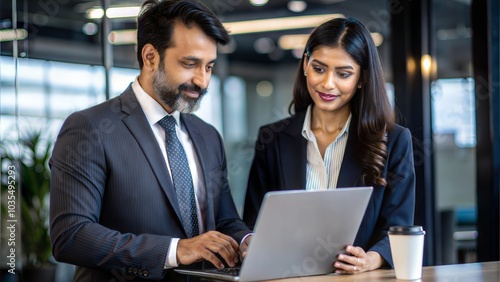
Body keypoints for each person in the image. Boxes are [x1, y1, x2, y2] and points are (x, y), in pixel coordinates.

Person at [49, 0, 251, 281]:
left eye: (209, 66)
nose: (203, 81)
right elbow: (71, 235)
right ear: (150, 57)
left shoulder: (208, 136)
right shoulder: (90, 128)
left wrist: (245, 241)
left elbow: (226, 220)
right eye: (190, 64)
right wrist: (175, 250)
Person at [243, 17, 415, 275]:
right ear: (305, 65)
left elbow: (398, 227)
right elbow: (254, 223)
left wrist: (370, 259)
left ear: (361, 78)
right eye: (319, 69)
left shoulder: (394, 141)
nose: (327, 84)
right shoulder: (273, 139)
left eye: (343, 74)